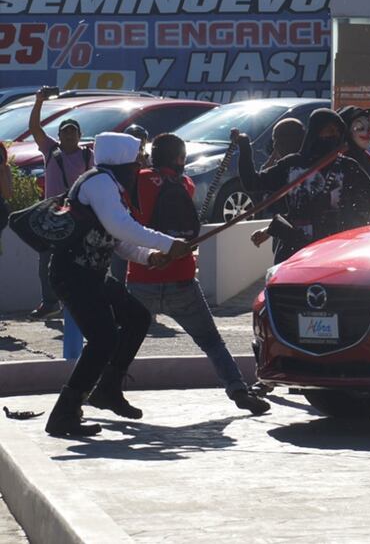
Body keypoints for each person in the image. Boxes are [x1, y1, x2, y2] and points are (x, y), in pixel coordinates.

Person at [45, 132, 191, 437]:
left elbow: (118, 240)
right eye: (138, 157)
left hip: (93, 274)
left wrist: (150, 256)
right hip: (74, 274)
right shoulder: (98, 182)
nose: (142, 163)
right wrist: (167, 244)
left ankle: (108, 389)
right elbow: (119, 226)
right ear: (122, 158)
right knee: (103, 340)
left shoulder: (111, 185)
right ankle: (64, 414)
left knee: (137, 318)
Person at [125, 133, 270, 415]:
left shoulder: (138, 180)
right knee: (212, 342)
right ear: (180, 159)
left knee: (122, 343)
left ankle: (96, 390)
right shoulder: (186, 184)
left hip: (143, 275)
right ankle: (238, 389)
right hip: (181, 279)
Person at [235, 108, 370, 264]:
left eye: (338, 132)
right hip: (295, 252)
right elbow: (252, 183)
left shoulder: (347, 166)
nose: (334, 136)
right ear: (316, 132)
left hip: (335, 251)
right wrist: (244, 147)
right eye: (329, 131)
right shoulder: (292, 164)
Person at [28, 87, 93, 320]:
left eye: (72, 132)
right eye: (65, 132)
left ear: (79, 135)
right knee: (45, 260)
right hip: (51, 215)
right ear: (60, 134)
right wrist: (39, 102)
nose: (68, 136)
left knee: (76, 262)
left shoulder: (87, 156)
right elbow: (34, 128)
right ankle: (49, 302)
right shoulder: (50, 150)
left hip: (76, 215)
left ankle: (74, 304)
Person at [110, 123, 150, 281]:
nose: (138, 143)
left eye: (141, 140)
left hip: (142, 221)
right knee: (119, 266)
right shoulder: (117, 164)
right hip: (122, 220)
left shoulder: (149, 162)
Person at [338, 105, 370, 182]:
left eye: (369, 126)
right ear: (346, 131)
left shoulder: (369, 160)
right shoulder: (338, 162)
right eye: (359, 127)